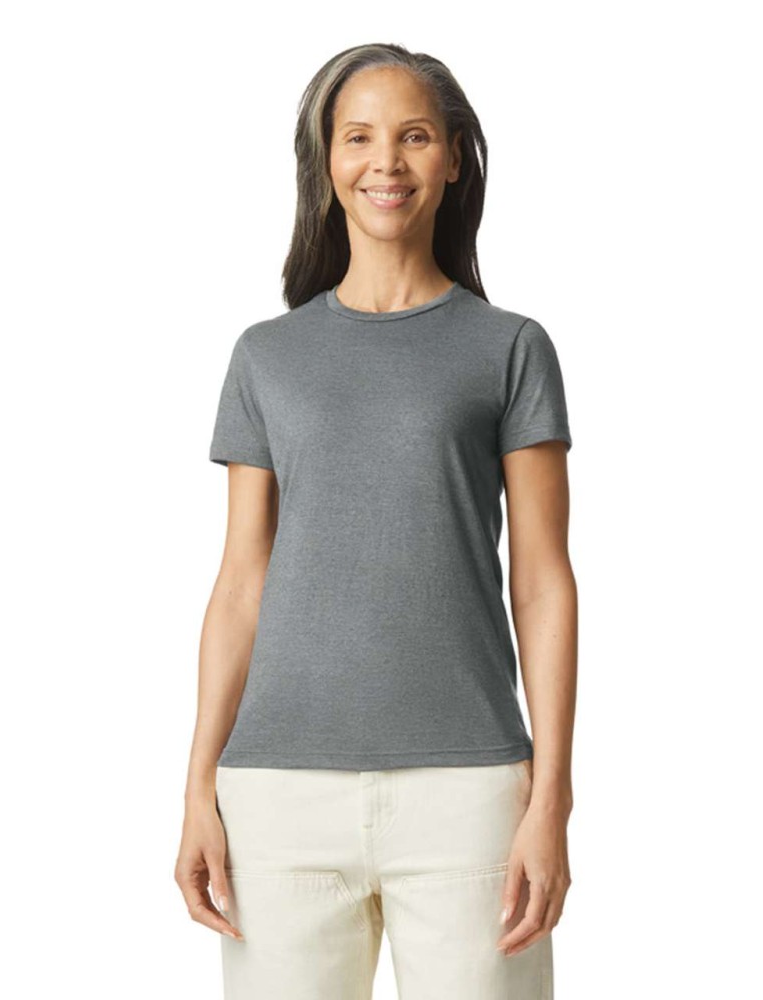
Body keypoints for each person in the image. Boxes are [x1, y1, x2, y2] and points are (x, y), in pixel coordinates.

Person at [175, 42, 577, 1000]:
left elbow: (542, 581)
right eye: (358, 138)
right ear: (326, 163)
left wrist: (552, 797)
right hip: (278, 797)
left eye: (415, 136)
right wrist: (197, 787)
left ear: (454, 159)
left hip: (470, 795)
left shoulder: (510, 348)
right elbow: (241, 583)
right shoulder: (267, 356)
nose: (385, 161)